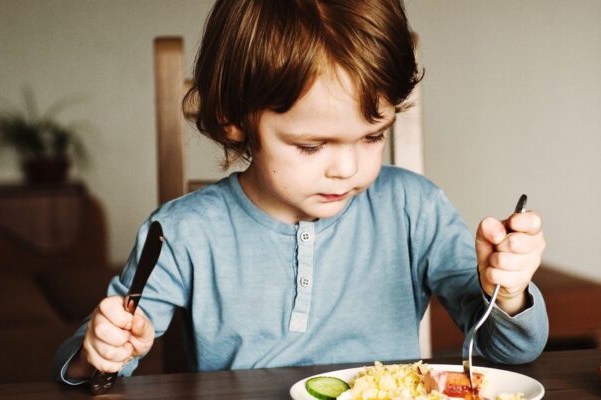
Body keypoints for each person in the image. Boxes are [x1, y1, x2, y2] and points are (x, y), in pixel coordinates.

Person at [55, 0, 548, 384]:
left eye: (373, 136)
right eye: (312, 146)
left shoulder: (414, 209)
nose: (348, 169)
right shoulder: (184, 233)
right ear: (234, 120)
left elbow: (510, 353)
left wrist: (506, 294)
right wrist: (99, 352)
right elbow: (86, 370)